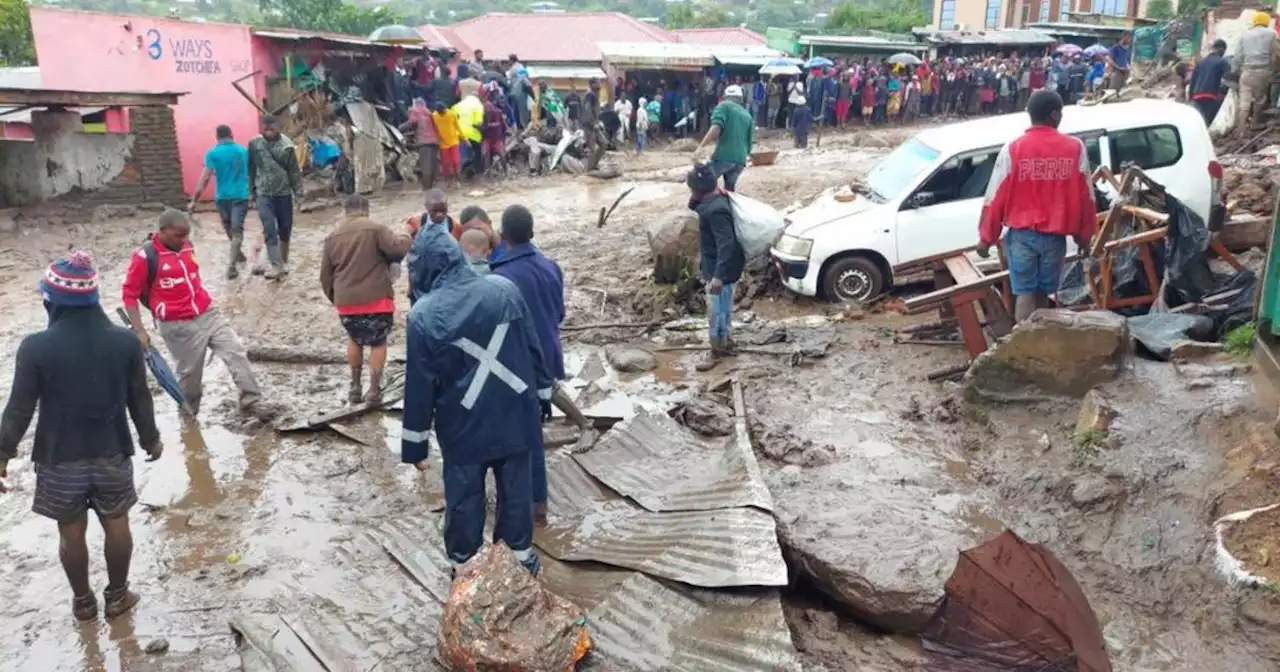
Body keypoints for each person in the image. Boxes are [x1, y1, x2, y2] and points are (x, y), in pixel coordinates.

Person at [0, 252, 161, 621]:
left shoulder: (36, 347)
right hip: (112, 452)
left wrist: (2, 454)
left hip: (59, 458)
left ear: (51, 300)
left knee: (71, 532)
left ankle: (83, 602)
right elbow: (140, 397)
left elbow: (18, 409)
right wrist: (151, 439)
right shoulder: (124, 342)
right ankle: (118, 597)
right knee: (117, 523)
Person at [400, 222, 551, 578]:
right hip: (515, 414)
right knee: (517, 495)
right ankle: (519, 568)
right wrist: (543, 395)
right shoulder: (505, 290)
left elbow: (419, 387)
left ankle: (465, 571)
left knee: (465, 500)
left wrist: (416, 448)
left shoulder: (422, 315)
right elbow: (534, 349)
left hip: (463, 426)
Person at [122, 209, 274, 417]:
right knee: (190, 377)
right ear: (162, 232)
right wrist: (139, 330)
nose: (184, 240)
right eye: (178, 235)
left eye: (187, 235)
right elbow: (130, 294)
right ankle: (189, 417)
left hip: (207, 312)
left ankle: (251, 400)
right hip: (177, 325)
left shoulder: (186, 246)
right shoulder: (144, 257)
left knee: (235, 351)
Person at [977, 91, 1095, 323]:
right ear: (1054, 114)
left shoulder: (1013, 149)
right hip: (1054, 238)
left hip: (1022, 236)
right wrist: (1084, 237)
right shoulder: (1075, 148)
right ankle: (1040, 342)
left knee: (1024, 292)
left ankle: (1022, 343)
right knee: (1043, 293)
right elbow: (1086, 198)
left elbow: (995, 197)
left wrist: (986, 238)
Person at [489, 205, 564, 523]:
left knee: (519, 436)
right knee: (534, 432)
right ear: (532, 233)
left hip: (515, 365)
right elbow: (559, 313)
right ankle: (538, 504)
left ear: (502, 237)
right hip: (548, 357)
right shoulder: (551, 267)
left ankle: (525, 502)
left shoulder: (499, 278)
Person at [320, 194, 415, 404]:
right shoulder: (376, 228)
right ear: (366, 209)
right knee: (378, 342)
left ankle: (354, 386)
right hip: (377, 300)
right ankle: (374, 391)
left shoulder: (332, 237)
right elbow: (397, 251)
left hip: (346, 304)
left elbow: (325, 277)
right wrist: (406, 234)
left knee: (355, 339)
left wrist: (338, 300)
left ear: (346, 211)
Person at [685, 164, 744, 372]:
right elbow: (692, 207)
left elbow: (726, 244)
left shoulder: (716, 210)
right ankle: (727, 343)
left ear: (698, 189)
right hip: (723, 267)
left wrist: (718, 277)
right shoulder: (713, 201)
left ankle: (717, 351)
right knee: (724, 309)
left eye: (691, 188)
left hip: (722, 271)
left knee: (716, 312)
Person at [188, 125, 250, 279]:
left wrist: (194, 201)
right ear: (232, 134)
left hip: (222, 198)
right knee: (237, 230)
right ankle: (236, 257)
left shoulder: (213, 153)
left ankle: (232, 264)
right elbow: (252, 173)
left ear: (217, 137)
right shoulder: (243, 152)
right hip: (240, 196)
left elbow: (205, 178)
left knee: (229, 228)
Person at [246, 115, 303, 279]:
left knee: (285, 229)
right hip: (263, 193)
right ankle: (276, 266)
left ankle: (283, 261)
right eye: (265, 127)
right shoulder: (254, 144)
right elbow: (250, 169)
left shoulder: (287, 147)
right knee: (270, 229)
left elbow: (294, 171)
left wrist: (299, 193)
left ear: (278, 127)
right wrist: (251, 191)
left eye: (272, 127)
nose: (268, 130)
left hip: (283, 193)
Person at [694, 84, 753, 193]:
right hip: (740, 160)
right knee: (729, 191)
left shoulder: (723, 106)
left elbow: (716, 128)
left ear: (725, 96)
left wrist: (701, 147)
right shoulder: (747, 115)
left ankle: (701, 207)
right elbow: (749, 144)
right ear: (740, 98)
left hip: (724, 156)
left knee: (703, 184)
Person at [1234, 14, 1279, 133]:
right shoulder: (1272, 34)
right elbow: (1276, 54)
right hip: (1263, 72)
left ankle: (1241, 129)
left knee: (1244, 102)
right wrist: (1275, 69)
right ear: (1266, 21)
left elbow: (1238, 56)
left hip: (1246, 72)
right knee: (1260, 99)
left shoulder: (1245, 34)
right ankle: (1254, 123)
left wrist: (1236, 70)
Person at [399, 98, 440, 191]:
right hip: (434, 142)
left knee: (426, 165)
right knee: (432, 163)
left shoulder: (415, 111)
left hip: (423, 142)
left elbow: (411, 123)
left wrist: (399, 128)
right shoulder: (429, 112)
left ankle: (427, 187)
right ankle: (432, 185)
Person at [1190, 39, 1231, 126]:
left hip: (1197, 95)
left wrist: (1191, 97)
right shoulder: (1222, 62)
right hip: (1211, 95)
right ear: (1222, 49)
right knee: (1207, 121)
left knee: (1198, 121)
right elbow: (1228, 78)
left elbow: (1193, 81)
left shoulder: (1201, 62)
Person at [432, 102, 463, 185]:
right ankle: (447, 181)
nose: (442, 114)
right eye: (440, 113)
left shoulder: (452, 114)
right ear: (438, 112)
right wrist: (437, 140)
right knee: (445, 163)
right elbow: (435, 129)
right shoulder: (434, 116)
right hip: (443, 143)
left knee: (456, 161)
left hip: (454, 141)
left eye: (443, 112)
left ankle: (458, 180)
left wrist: (464, 138)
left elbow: (458, 126)